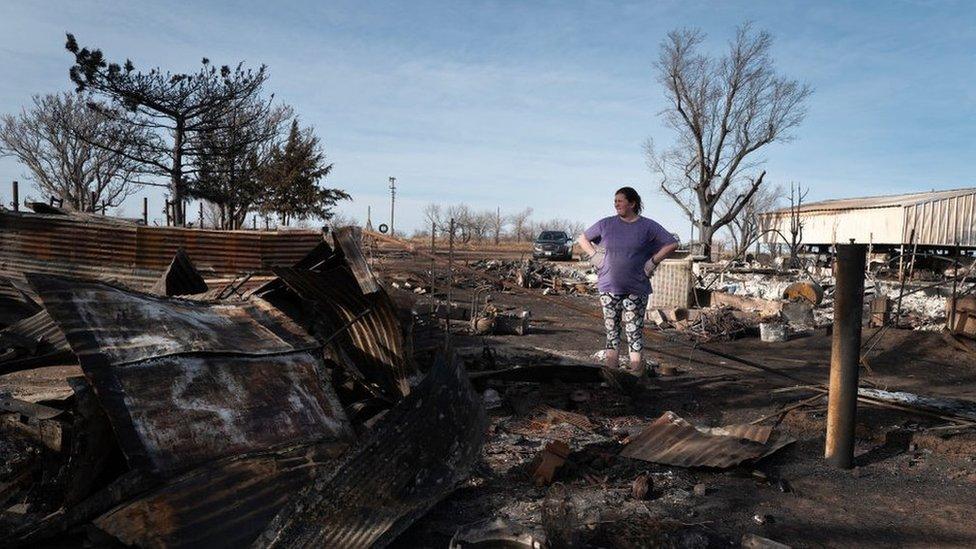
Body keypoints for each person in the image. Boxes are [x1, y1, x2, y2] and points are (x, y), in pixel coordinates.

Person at [578, 187, 679, 373]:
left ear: (632, 203)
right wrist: (594, 256)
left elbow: (672, 243)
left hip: (636, 288)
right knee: (612, 332)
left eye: (620, 200)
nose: (616, 204)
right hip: (609, 287)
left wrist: (653, 261)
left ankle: (636, 376)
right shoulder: (606, 224)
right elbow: (582, 238)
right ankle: (611, 375)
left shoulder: (648, 226)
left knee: (634, 332)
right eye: (615, 201)